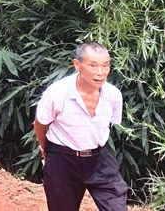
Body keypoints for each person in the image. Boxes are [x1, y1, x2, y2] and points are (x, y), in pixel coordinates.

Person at [34, 41, 128, 211]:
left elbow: (106, 126)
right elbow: (40, 124)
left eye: (105, 65)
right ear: (77, 65)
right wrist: (46, 149)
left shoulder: (113, 95)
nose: (100, 72)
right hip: (63, 160)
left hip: (99, 158)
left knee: (116, 207)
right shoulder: (57, 93)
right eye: (93, 65)